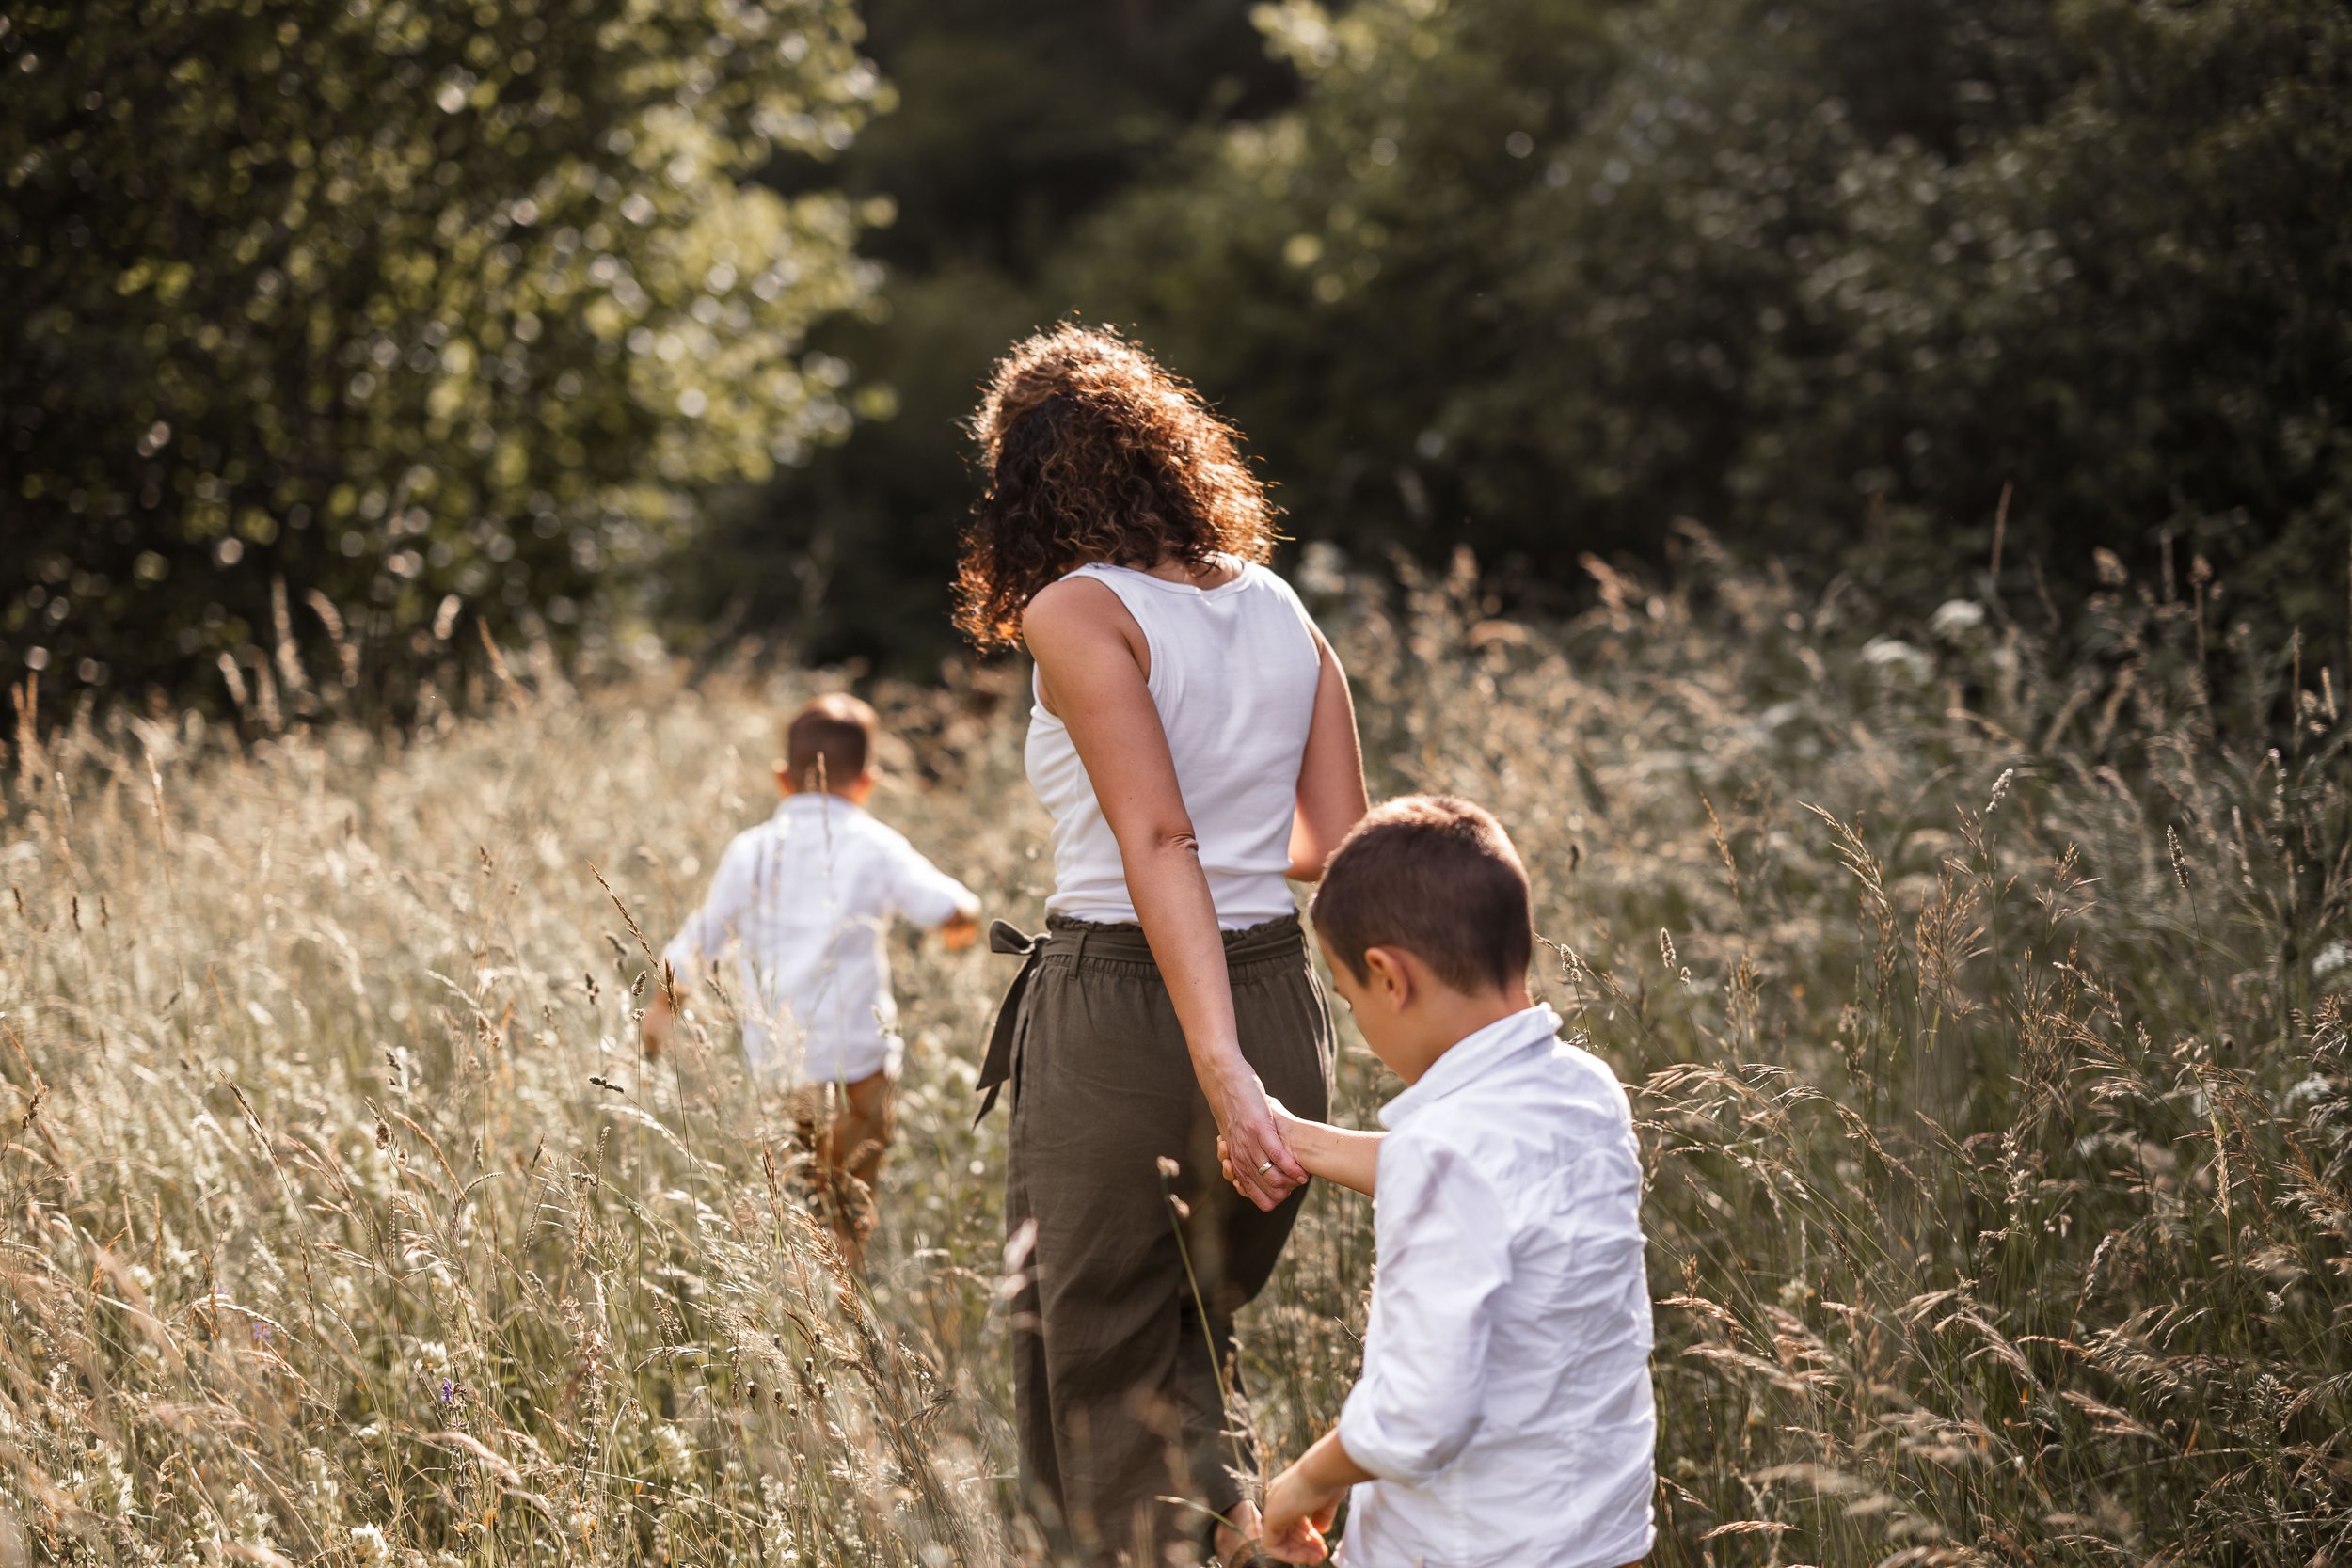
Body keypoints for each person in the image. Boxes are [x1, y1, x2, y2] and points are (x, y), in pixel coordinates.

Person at [960, 325, 1370, 1565]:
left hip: (1133, 1016)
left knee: (1094, 1374)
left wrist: (1214, 1064)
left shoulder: (1075, 608)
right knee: (1189, 1347)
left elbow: (1157, 838)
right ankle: (1257, 1530)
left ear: (1027, 475)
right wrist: (1257, 1054)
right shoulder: (1276, 600)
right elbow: (1334, 841)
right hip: (1277, 996)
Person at [1234, 796, 1656, 1568]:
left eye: (1348, 994)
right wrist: (1303, 1139)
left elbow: (1421, 1413)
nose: (1358, 1017)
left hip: (1473, 1546)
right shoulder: (1587, 1091)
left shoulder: (1446, 1151)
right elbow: (1489, 1182)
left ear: (1388, 977)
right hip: (1603, 1534)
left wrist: (1304, 1480)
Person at [644, 692, 980, 1268]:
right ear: (868, 781)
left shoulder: (751, 851)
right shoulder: (874, 844)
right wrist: (962, 923)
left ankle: (800, 1320)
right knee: (848, 1207)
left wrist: (663, 1005)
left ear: (782, 777)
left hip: (782, 1068)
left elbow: (700, 939)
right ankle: (848, 1315)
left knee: (792, 1206)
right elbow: (951, 905)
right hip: (860, 1068)